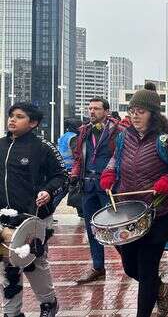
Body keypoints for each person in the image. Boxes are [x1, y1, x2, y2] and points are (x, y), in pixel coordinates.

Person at [100, 83, 168, 316]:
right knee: (129, 266)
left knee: (146, 270)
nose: (135, 115)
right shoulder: (124, 136)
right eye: (132, 110)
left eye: (141, 111)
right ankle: (162, 287)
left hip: (156, 213)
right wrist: (109, 172)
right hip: (126, 212)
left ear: (153, 114)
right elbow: (116, 158)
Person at [0, 102, 67, 317]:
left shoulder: (43, 147)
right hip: (5, 219)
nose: (12, 119)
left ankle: (48, 303)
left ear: (33, 123)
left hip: (34, 218)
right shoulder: (0, 145)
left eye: (19, 116)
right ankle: (12, 312)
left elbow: (63, 177)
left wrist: (48, 191)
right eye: (11, 115)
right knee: (8, 267)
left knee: (34, 263)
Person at [71, 97, 126, 284]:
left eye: (96, 108)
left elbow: (123, 157)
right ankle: (98, 266)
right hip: (88, 184)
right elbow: (79, 157)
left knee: (115, 228)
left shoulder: (119, 131)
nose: (92, 111)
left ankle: (129, 260)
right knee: (92, 228)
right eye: (90, 108)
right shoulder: (84, 131)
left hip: (109, 186)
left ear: (107, 111)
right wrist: (75, 174)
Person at [53, 118, 82, 213]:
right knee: (66, 192)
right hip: (71, 169)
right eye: (79, 126)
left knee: (62, 192)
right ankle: (47, 212)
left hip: (63, 167)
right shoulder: (74, 137)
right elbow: (77, 154)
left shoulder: (63, 137)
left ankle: (81, 213)